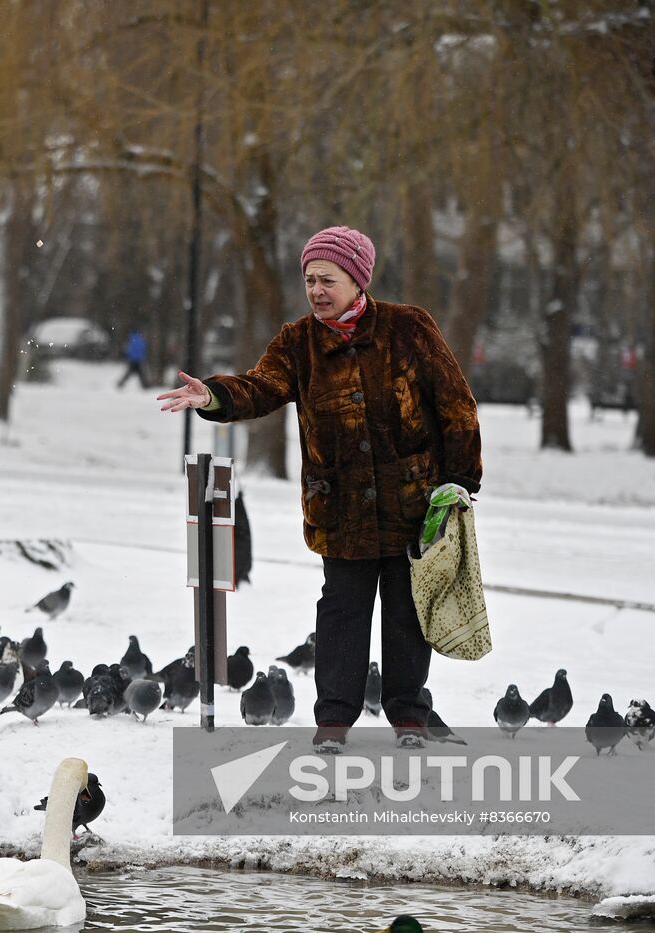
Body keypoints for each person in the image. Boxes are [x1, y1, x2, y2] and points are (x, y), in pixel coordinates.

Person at [157, 225, 482, 751]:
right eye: (309, 280)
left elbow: (456, 405)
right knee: (341, 613)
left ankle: (409, 718)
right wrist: (214, 395)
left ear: (357, 280)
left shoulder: (409, 329)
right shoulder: (298, 342)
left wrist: (459, 482)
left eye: (327, 279)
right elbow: (261, 387)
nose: (316, 290)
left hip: (414, 507)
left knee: (407, 613)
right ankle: (334, 719)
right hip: (341, 511)